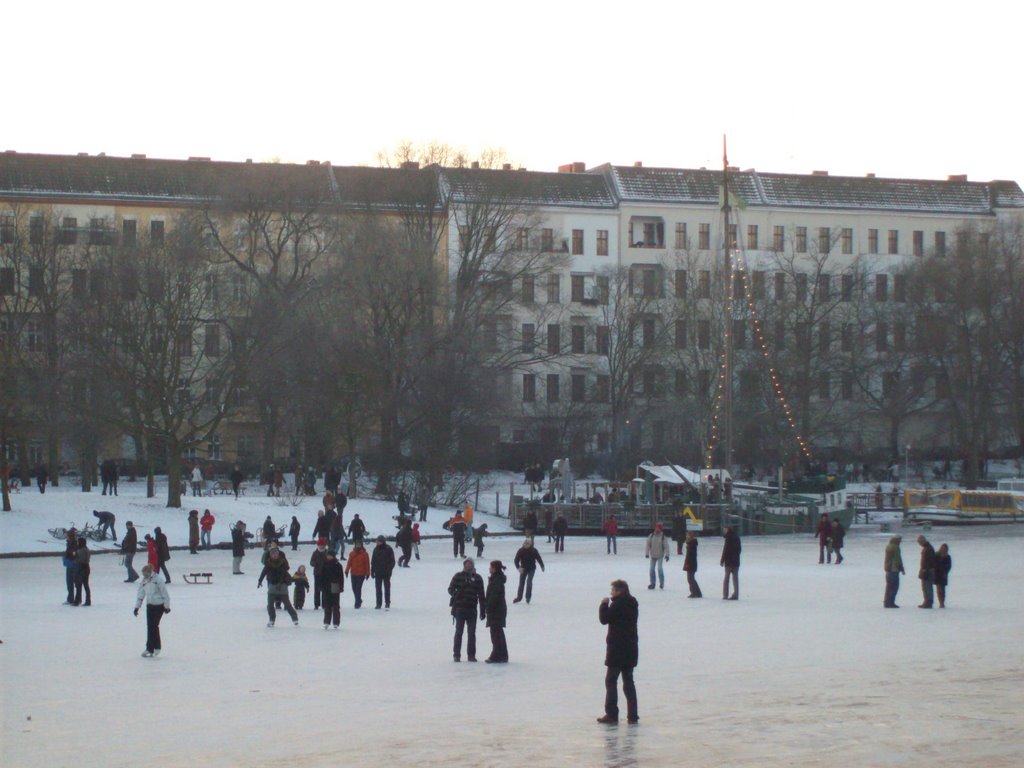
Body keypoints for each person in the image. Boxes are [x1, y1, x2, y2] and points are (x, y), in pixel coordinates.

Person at [597, 579, 639, 724]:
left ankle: (612, 714)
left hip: (617, 650)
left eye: (613, 590)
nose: (611, 593)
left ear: (620, 591)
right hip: (631, 648)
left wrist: (604, 605)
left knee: (611, 681)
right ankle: (633, 716)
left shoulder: (617, 604)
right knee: (628, 682)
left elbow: (604, 619)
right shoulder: (633, 603)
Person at [448, 557, 485, 662]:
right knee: (459, 632)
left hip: (472, 609)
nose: (469, 565)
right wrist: (456, 595)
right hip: (460, 608)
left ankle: (471, 655)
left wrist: (483, 610)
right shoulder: (458, 576)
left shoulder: (478, 578)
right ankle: (456, 655)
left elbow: (482, 595)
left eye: (470, 564)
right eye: (467, 563)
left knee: (471, 633)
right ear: (464, 565)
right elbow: (450, 588)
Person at [134, 564, 171, 657]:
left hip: (159, 606)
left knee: (154, 626)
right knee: (150, 627)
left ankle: (157, 647)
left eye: (146, 575)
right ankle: (149, 649)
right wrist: (137, 607)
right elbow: (140, 594)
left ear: (150, 572)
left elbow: (165, 593)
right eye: (144, 575)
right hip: (149, 605)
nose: (145, 577)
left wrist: (167, 607)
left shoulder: (158, 580)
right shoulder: (144, 581)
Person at [257, 548, 298, 627]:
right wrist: (260, 581)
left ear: (278, 554)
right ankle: (272, 619)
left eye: (276, 554)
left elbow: (283, 574)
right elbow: (264, 572)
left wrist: (280, 583)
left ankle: (294, 618)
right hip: (272, 586)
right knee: (270, 604)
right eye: (273, 554)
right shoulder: (268, 563)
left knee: (287, 604)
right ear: (270, 555)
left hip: (282, 586)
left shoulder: (282, 562)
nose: (274, 555)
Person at [485, 560, 509, 663]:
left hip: (496, 610)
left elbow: (494, 596)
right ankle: (502, 655)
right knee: (498, 633)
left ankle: (496, 655)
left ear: (494, 568)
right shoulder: (496, 579)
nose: (489, 569)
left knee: (496, 633)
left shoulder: (497, 580)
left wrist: (488, 607)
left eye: (490, 567)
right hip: (498, 610)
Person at [512, 538, 545, 604]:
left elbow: (539, 558)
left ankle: (528, 597)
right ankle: (519, 597)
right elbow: (516, 560)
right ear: (523, 544)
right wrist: (518, 568)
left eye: (528, 544)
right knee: (521, 583)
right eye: (525, 544)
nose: (526, 545)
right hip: (523, 569)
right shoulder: (521, 551)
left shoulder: (534, 550)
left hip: (531, 569)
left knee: (529, 582)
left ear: (530, 544)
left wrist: (542, 566)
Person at [370, 535, 396, 610]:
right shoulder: (375, 549)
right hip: (378, 573)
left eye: (378, 541)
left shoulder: (388, 549)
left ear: (382, 541)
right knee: (378, 589)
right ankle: (378, 603)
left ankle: (387, 602)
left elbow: (392, 561)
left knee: (387, 588)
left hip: (386, 573)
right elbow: (373, 561)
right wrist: (372, 571)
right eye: (376, 541)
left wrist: (389, 569)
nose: (376, 542)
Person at [320, 550, 345, 628]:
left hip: (335, 585)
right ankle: (326, 621)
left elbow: (341, 577)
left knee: (335, 605)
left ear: (333, 556)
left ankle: (336, 622)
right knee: (327, 604)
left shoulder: (338, 565)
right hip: (326, 586)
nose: (329, 557)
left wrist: (341, 587)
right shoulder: (324, 564)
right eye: (328, 555)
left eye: (330, 555)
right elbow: (321, 576)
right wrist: (321, 585)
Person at [645, 523, 670, 590]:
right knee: (651, 570)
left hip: (660, 556)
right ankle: (652, 583)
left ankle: (661, 583)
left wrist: (667, 555)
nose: (657, 529)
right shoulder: (651, 536)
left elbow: (666, 547)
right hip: (653, 555)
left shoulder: (663, 537)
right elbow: (648, 545)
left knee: (660, 569)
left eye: (659, 528)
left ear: (661, 529)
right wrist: (647, 553)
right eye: (656, 528)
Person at [345, 540, 370, 609]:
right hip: (353, 573)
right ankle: (359, 599)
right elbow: (349, 562)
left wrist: (367, 573)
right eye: (357, 544)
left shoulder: (365, 554)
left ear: (361, 545)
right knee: (354, 588)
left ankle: (357, 603)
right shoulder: (352, 553)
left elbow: (367, 564)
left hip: (361, 574)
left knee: (358, 588)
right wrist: (347, 570)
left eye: (359, 545)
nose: (358, 546)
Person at [883, 535, 905, 608]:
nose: (900, 542)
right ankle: (891, 602)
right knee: (894, 586)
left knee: (888, 586)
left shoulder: (888, 546)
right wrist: (901, 569)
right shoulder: (895, 547)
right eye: (899, 540)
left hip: (888, 569)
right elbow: (897, 559)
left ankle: (886, 602)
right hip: (894, 569)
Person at [720, 525, 741, 600]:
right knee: (735, 578)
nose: (724, 531)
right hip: (736, 561)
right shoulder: (737, 537)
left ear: (728, 530)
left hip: (729, 561)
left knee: (726, 579)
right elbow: (739, 550)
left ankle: (725, 595)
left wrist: (722, 560)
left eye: (725, 530)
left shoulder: (728, 539)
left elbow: (725, 551)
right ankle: (736, 594)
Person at [917, 534, 937, 609]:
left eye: (919, 542)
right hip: (925, 570)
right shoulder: (927, 548)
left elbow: (930, 561)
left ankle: (929, 602)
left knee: (928, 587)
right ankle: (926, 601)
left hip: (928, 571)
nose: (919, 544)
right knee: (925, 587)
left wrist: (926, 569)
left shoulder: (928, 549)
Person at [309, 538, 329, 610]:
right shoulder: (315, 553)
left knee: (325, 589)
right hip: (317, 573)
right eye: (320, 545)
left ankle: (324, 604)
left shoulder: (327, 552)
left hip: (326, 573)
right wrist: (315, 564)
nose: (321, 546)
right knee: (317, 589)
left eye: (322, 545)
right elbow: (311, 562)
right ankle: (316, 604)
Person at [683, 531, 702, 598]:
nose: (686, 536)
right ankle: (697, 593)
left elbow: (690, 556)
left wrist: (688, 563)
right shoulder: (691, 544)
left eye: (687, 535)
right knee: (691, 578)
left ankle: (694, 592)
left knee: (690, 579)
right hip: (691, 563)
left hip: (691, 563)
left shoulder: (691, 544)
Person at [73, 537, 92, 606]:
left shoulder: (81, 550)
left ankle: (77, 601)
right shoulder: (86, 549)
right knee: (86, 585)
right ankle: (87, 600)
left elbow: (80, 560)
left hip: (81, 568)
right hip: (86, 568)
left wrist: (75, 556)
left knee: (79, 585)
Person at [63, 531, 78, 604]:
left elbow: (73, 554)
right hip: (70, 565)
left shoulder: (73, 543)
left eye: (67, 535)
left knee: (71, 582)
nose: (65, 536)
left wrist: (67, 555)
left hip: (72, 565)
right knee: (70, 583)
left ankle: (72, 599)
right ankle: (71, 598)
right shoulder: (69, 542)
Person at [935, 543, 952, 608]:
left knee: (942, 589)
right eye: (942, 548)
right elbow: (934, 563)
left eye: (944, 548)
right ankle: (940, 602)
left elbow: (949, 566)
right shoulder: (936, 555)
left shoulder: (947, 556)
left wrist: (945, 572)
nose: (943, 549)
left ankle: (942, 602)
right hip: (937, 574)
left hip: (943, 574)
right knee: (938, 589)